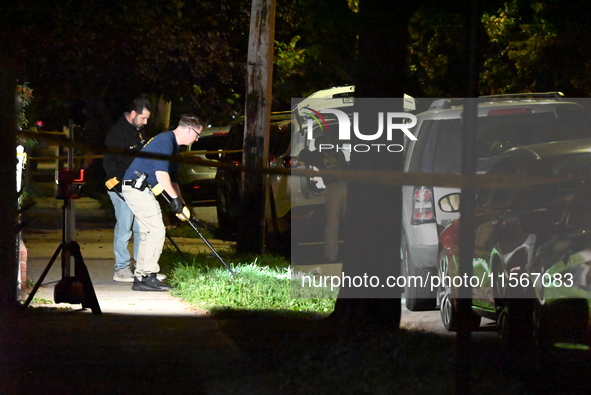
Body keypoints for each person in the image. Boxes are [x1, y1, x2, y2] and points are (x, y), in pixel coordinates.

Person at [122, 115, 202, 291]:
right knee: (156, 230)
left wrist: (181, 203)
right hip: (136, 188)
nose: (196, 139)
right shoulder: (165, 141)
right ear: (189, 129)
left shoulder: (173, 146)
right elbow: (161, 175)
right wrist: (174, 200)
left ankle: (142, 276)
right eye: (197, 135)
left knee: (149, 231)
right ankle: (147, 276)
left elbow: (172, 180)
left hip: (140, 189)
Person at [103, 98, 155, 282]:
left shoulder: (137, 130)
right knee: (124, 228)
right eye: (143, 118)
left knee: (140, 229)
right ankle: (121, 269)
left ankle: (142, 269)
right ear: (133, 114)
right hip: (121, 188)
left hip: (136, 186)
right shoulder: (117, 134)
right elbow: (109, 163)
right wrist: (119, 187)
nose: (145, 122)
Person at [298, 136, 348, 262]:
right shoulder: (338, 152)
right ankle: (356, 251)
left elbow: (303, 156)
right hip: (348, 185)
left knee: (332, 223)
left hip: (333, 187)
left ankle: (331, 255)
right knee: (353, 220)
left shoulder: (319, 155)